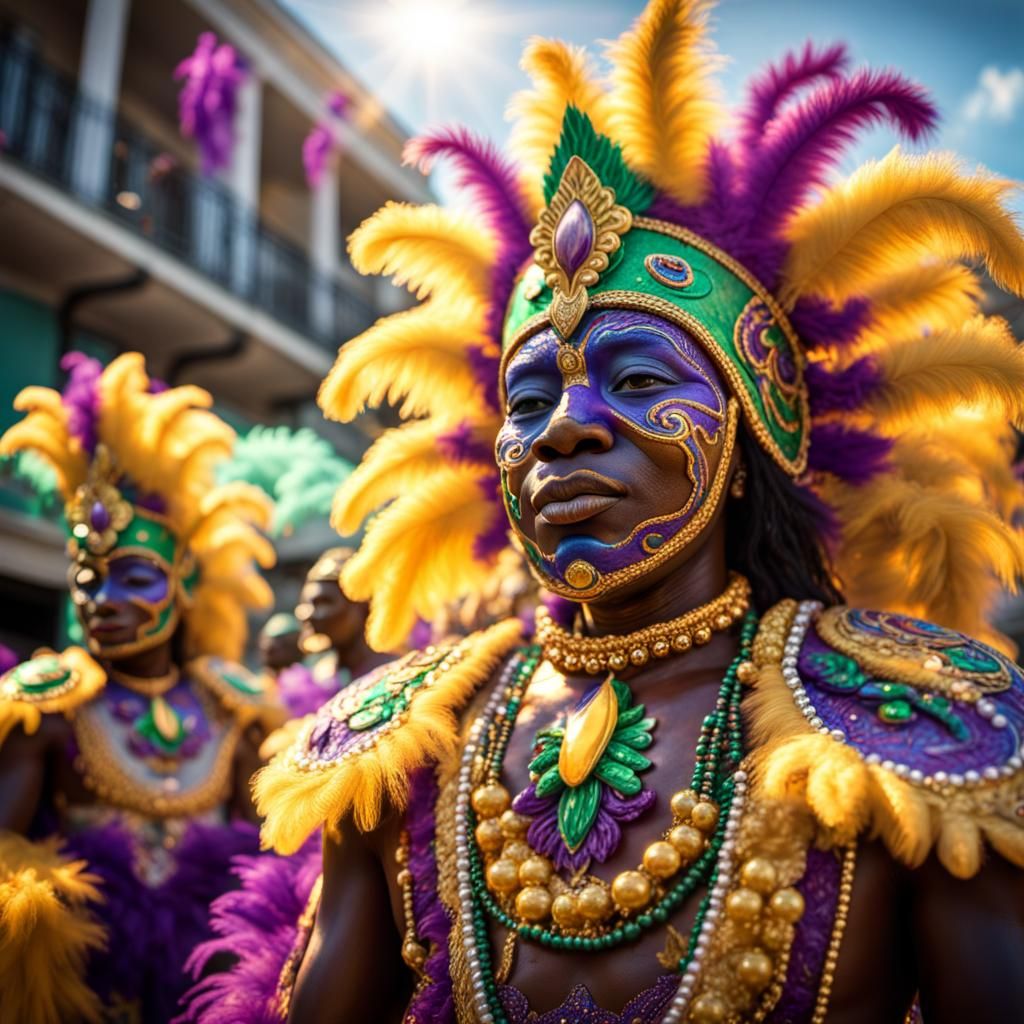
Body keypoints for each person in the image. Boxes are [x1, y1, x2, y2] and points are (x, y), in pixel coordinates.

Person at [219, 2, 1024, 1021]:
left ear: (750, 437)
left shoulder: (913, 730)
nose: (564, 428)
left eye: (639, 378)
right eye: (526, 401)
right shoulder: (400, 746)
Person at [0, 352, 283, 1023]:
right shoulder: (49, 707)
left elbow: (267, 872)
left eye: (134, 576)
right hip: (80, 988)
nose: (105, 598)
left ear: (184, 581)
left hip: (205, 984)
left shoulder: (234, 708)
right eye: (89, 578)